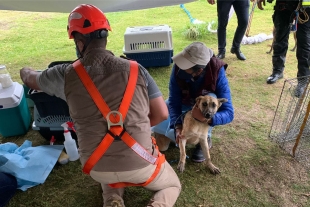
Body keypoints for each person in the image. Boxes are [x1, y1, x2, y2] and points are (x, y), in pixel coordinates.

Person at [20, 4, 181, 207]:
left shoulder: (64, 74)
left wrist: (24, 69)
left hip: (96, 166)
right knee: (172, 186)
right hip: (141, 163)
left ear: (79, 43)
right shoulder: (136, 70)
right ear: (105, 37)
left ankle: (113, 199)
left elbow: (29, 78)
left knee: (109, 173)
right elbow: (162, 113)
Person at [152, 42, 234, 163]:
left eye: (185, 67)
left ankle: (204, 138)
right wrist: (178, 125)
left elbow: (229, 112)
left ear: (199, 70)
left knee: (211, 97)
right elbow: (174, 101)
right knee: (163, 123)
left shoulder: (217, 70)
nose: (180, 68)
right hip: (185, 102)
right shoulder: (178, 69)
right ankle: (169, 134)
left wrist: (206, 118)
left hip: (203, 109)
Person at [258, 0, 310, 97]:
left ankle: (302, 81)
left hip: (305, 9)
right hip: (284, 5)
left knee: (304, 46)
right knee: (279, 40)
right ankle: (277, 71)